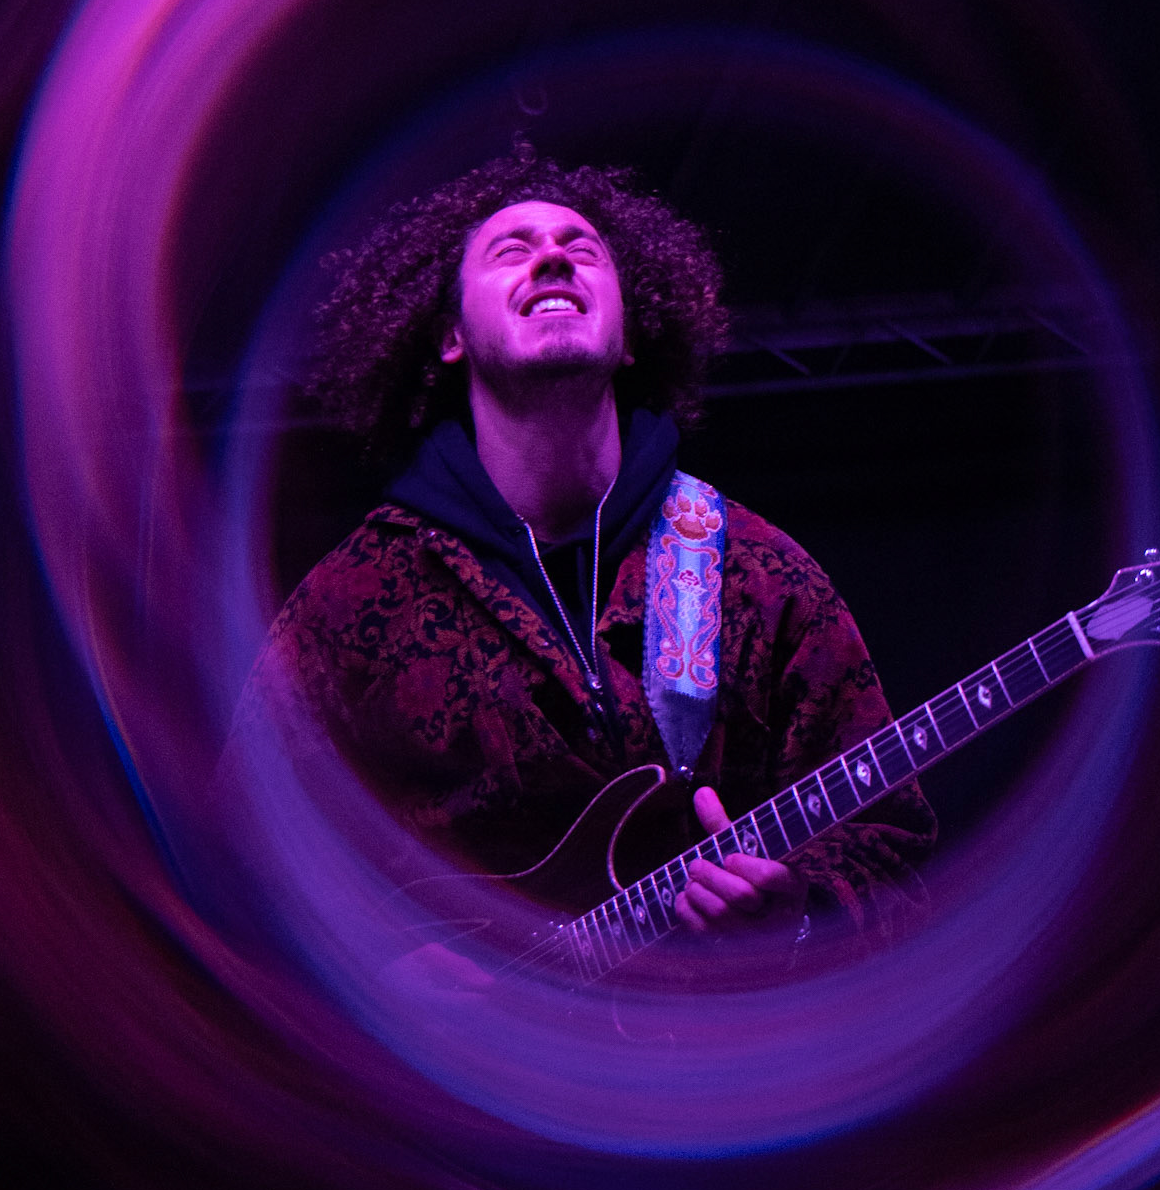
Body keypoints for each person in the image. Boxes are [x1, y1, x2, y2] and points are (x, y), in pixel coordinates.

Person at [240, 147, 935, 984]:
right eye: (511, 249)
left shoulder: (753, 573)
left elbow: (891, 845)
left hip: (711, 1053)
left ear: (630, 337)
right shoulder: (355, 603)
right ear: (450, 337)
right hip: (454, 1068)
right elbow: (241, 862)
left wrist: (796, 916)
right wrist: (375, 983)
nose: (552, 257)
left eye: (582, 248)